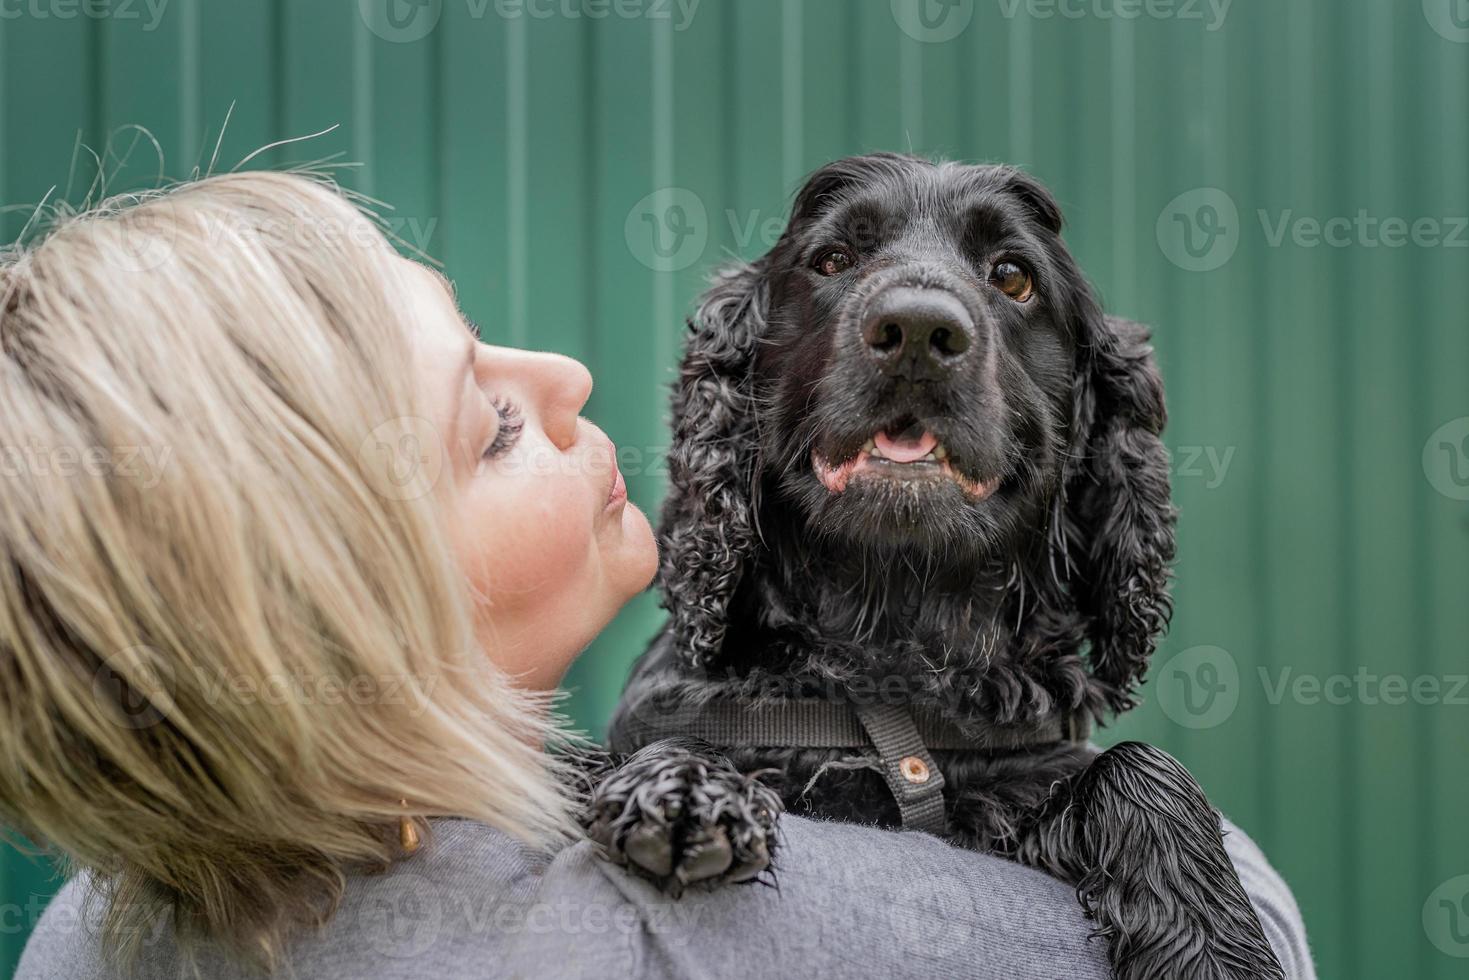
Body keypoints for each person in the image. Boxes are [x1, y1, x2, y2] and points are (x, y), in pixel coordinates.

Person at [2, 171, 1315, 979]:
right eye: (491, 426)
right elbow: (1258, 929)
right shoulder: (678, 935)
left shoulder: (86, 929)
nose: (566, 376)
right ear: (334, 613)